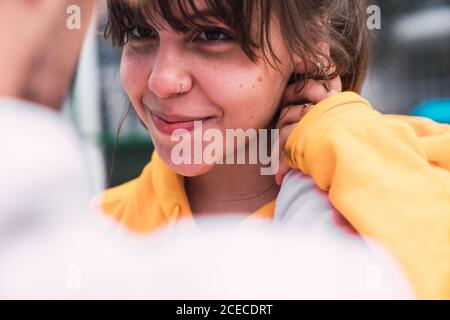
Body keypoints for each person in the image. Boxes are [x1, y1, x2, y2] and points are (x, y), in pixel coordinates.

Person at [99, 0, 450, 299]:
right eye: (140, 32)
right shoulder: (96, 230)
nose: (161, 82)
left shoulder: (429, 166)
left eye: (212, 34)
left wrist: (343, 138)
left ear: (312, 40)